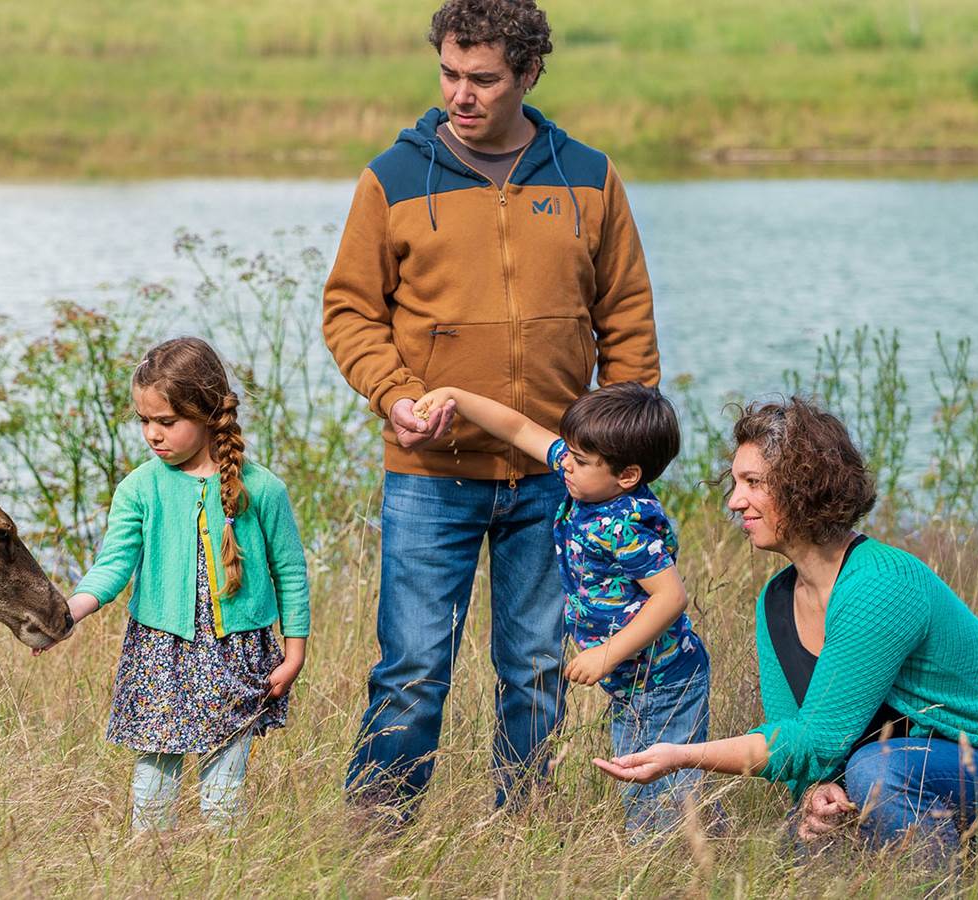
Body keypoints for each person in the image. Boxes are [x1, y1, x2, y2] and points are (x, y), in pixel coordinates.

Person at [323, 0, 660, 816]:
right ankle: (376, 833)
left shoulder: (588, 176)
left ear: (529, 73)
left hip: (555, 479)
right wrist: (396, 395)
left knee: (537, 668)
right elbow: (350, 312)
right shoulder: (393, 178)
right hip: (428, 477)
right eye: (448, 74)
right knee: (411, 669)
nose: (459, 95)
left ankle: (522, 831)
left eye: (482, 78)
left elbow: (626, 321)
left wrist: (617, 459)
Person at [595, 398, 978, 865]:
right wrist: (816, 791)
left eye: (753, 483)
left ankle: (932, 887)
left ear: (803, 486)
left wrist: (681, 755)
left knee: (876, 769)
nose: (734, 501)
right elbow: (794, 739)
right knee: (796, 845)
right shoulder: (775, 600)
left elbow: (814, 742)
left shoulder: (881, 584)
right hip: (921, 771)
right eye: (735, 483)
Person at [413, 382, 709, 836]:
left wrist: (606, 654)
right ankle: (688, 840)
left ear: (627, 475)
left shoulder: (625, 526)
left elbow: (671, 597)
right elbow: (518, 428)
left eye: (580, 460)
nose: (565, 464)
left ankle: (674, 857)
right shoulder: (587, 474)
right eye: (568, 452)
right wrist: (457, 396)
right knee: (646, 782)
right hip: (634, 682)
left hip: (665, 682)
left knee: (656, 794)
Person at [58, 337, 311, 830]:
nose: (152, 434)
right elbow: (112, 566)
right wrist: (68, 612)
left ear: (209, 413)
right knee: (152, 794)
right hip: (160, 654)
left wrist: (294, 652)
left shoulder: (262, 488)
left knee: (223, 800)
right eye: (143, 421)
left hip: (236, 655)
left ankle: (225, 868)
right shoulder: (139, 488)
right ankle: (151, 867)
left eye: (167, 421)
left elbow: (291, 572)